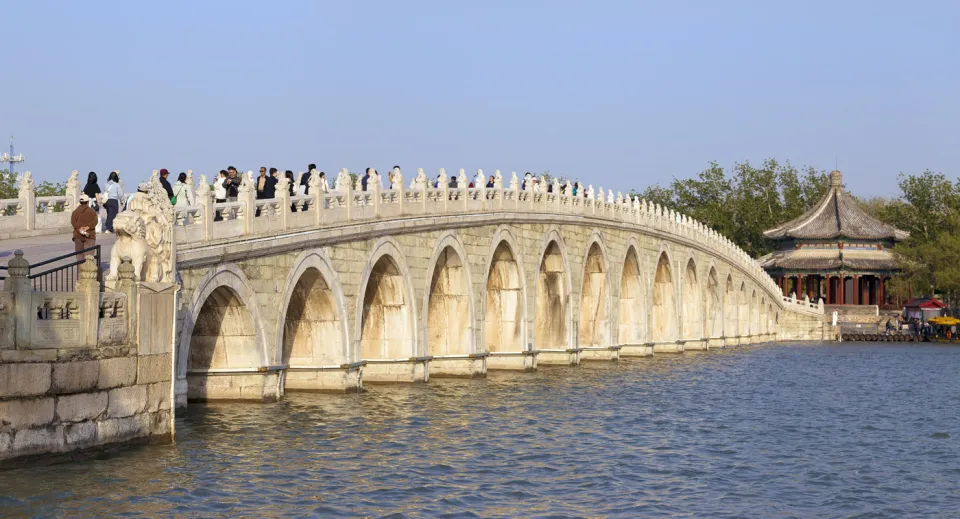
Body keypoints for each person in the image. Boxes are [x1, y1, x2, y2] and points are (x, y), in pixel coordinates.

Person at [71, 193, 98, 259]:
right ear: (88, 202)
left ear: (80, 202)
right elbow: (95, 221)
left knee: (79, 255)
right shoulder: (92, 211)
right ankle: (88, 269)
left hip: (78, 235)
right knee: (89, 256)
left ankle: (80, 269)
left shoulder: (75, 212)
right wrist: (87, 227)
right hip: (90, 235)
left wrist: (79, 228)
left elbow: (73, 222)